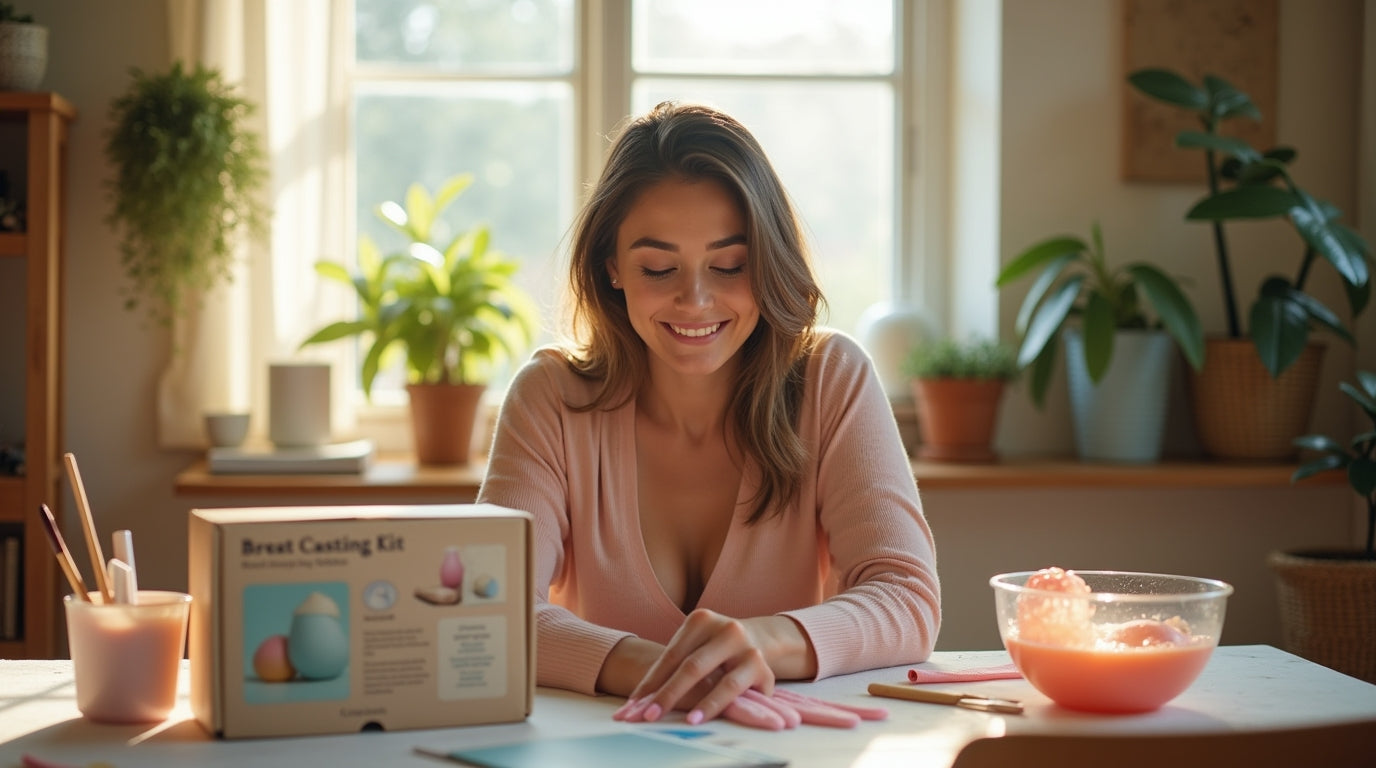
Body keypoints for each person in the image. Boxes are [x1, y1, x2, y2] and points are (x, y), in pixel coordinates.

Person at [478, 101, 940, 730]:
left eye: (729, 265)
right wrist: (664, 668)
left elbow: (906, 598)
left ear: (768, 260)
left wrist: (766, 644)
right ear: (611, 267)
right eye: (658, 268)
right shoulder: (550, 398)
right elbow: (489, 611)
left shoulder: (831, 379)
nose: (694, 300)